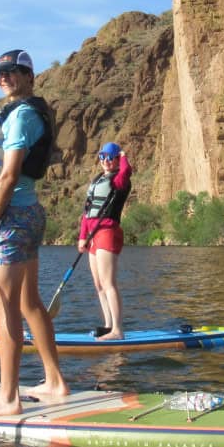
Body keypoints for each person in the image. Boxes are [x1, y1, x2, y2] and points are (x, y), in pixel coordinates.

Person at [0, 48, 69, 416]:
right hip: (28, 215)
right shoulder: (19, 114)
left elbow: (9, 175)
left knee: (4, 308)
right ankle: (55, 382)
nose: (4, 76)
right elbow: (8, 144)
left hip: (10, 219)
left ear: (29, 76)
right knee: (28, 302)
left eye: (12, 71)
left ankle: (8, 399)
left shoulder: (23, 115)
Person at [79, 141, 132, 340]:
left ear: (117, 159)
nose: (106, 161)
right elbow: (87, 212)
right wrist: (82, 237)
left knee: (108, 283)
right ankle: (109, 326)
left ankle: (118, 330)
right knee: (98, 284)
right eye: (103, 157)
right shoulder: (97, 180)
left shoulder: (120, 180)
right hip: (92, 235)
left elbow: (127, 170)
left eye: (111, 157)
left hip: (108, 232)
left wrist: (124, 154)